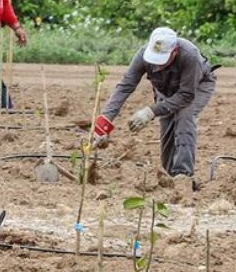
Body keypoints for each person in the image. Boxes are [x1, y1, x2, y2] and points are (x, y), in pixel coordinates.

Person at [93, 27, 217, 190]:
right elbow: (125, 86)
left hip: (196, 87)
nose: (157, 65)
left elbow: (186, 95)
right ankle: (168, 175)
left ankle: (183, 176)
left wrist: (150, 111)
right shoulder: (143, 55)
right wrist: (104, 121)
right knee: (167, 127)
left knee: (185, 117)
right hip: (166, 88)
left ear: (174, 51)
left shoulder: (189, 56)